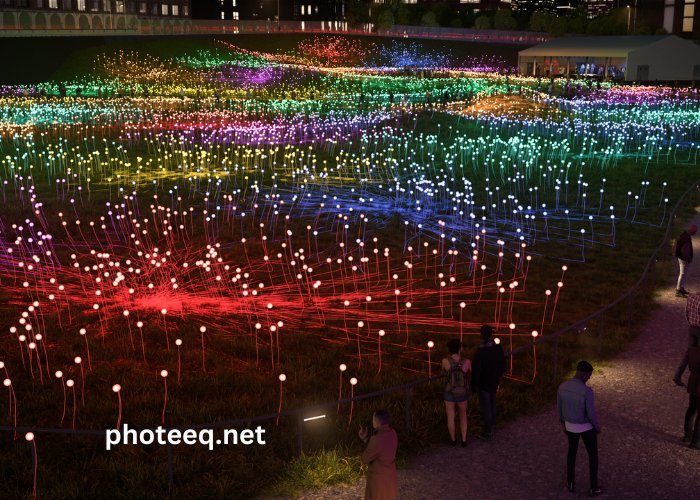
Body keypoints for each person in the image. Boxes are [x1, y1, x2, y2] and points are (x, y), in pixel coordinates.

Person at [557, 361, 603, 497]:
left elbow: (559, 409)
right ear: (583, 375)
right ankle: (593, 487)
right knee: (593, 455)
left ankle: (570, 483)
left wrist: (563, 424)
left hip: (570, 426)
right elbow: (591, 413)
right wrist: (597, 426)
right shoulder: (587, 391)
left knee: (572, 453)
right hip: (586, 427)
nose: (589, 378)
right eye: (589, 376)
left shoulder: (562, 386)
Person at [471, 324, 504, 444]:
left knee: (486, 409)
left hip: (483, 384)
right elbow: (502, 364)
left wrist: (474, 385)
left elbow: (476, 372)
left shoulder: (480, 353)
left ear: (481, 335)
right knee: (492, 404)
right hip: (494, 381)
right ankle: (492, 426)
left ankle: (489, 433)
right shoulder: (498, 348)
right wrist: (497, 376)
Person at [358, 410, 398, 500]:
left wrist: (367, 441)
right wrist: (365, 439)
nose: (372, 421)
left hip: (379, 484)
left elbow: (364, 459)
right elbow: (382, 449)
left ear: (377, 423)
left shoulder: (376, 439)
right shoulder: (393, 433)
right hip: (390, 479)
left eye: (372, 419)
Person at [442, 339, 471, 447]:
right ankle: (463, 440)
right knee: (463, 415)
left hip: (449, 390)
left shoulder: (445, 361)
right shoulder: (467, 362)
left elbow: (444, 371)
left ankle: (453, 440)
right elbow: (469, 372)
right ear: (460, 348)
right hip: (462, 391)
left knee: (451, 416)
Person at [674, 292, 700, 386]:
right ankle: (695, 382)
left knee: (689, 351)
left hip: (692, 328)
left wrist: (690, 324)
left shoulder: (692, 296)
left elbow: (686, 312)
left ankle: (677, 375)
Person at [674, 225, 697, 297]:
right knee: (682, 274)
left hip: (681, 258)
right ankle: (678, 290)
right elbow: (685, 251)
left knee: (682, 274)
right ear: (693, 231)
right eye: (696, 231)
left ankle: (681, 288)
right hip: (684, 259)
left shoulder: (684, 235)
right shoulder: (687, 239)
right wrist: (688, 260)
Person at [685, 346, 700, 449]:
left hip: (693, 382)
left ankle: (687, 436)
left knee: (691, 409)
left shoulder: (694, 350)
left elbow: (690, 367)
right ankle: (695, 441)